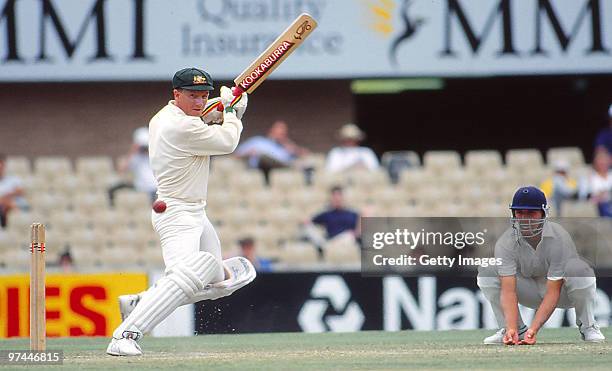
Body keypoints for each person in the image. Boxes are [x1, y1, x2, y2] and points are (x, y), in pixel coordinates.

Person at [106, 67, 256, 356]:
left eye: (204, 96)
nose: (199, 102)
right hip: (176, 213)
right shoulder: (180, 127)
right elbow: (227, 142)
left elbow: (200, 122)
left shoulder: (167, 117)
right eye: (192, 96)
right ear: (177, 94)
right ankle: (125, 335)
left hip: (194, 212)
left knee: (221, 281)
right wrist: (234, 114)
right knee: (191, 272)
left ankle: (142, 302)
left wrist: (219, 109)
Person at [477, 186, 605, 345]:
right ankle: (513, 331)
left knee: (580, 270)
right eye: (520, 212)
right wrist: (512, 326)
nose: (524, 219)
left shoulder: (559, 238)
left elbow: (553, 292)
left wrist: (534, 329)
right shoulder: (505, 242)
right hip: (528, 292)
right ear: (513, 213)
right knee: (487, 270)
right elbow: (508, 290)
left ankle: (588, 327)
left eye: (531, 213)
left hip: (563, 294)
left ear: (544, 213)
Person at [235, 120, 308, 182]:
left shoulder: (283, 148)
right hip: (259, 169)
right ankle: (293, 166)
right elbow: (237, 154)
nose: (280, 135)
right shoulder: (258, 141)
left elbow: (305, 153)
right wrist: (249, 152)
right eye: (279, 132)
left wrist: (290, 145)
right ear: (271, 130)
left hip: (278, 171)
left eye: (283, 134)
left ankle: (294, 166)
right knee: (263, 156)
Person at [301, 186, 360, 256]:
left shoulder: (352, 214)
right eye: (334, 196)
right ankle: (325, 247)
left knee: (349, 236)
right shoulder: (326, 214)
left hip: (347, 242)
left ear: (342, 197)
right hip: (329, 242)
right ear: (331, 198)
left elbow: (357, 232)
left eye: (339, 196)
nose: (337, 199)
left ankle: (326, 248)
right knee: (308, 229)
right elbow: (309, 222)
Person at [108, 127, 158, 204]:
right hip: (140, 186)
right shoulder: (135, 157)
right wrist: (133, 151)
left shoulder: (155, 155)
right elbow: (121, 170)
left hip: (154, 187)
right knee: (113, 188)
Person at [578, 151, 612, 217]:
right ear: (595, 162)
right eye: (600, 161)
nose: (603, 163)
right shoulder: (587, 178)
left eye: (605, 161)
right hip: (597, 207)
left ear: (610, 162)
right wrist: (597, 196)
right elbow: (583, 197)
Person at [0, 154, 28, 228]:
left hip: (16, 206)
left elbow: (21, 191)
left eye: (1, 165)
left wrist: (7, 196)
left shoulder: (13, 179)